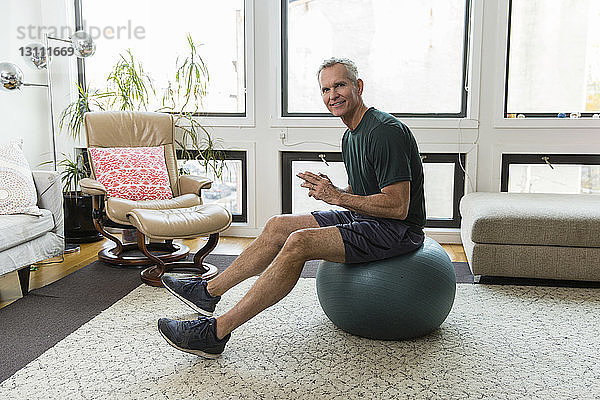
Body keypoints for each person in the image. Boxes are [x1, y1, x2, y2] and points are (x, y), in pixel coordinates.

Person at [157, 57, 426, 358]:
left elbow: (397, 206)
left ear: (358, 86)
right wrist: (335, 191)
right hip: (366, 218)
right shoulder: (351, 136)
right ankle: (207, 292)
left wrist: (337, 197)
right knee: (278, 225)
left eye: (340, 85)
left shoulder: (384, 131)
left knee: (299, 241)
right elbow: (366, 192)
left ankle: (215, 332)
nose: (332, 95)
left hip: (398, 231)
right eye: (325, 90)